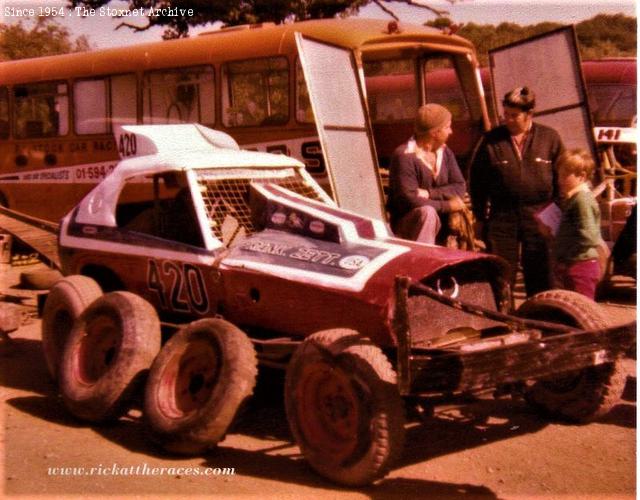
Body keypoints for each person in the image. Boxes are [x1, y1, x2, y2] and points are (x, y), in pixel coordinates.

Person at [470, 86, 564, 297]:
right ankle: (502, 321)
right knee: (501, 274)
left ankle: (540, 316)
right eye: (506, 115)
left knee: (541, 274)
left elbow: (562, 180)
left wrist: (555, 213)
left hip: (540, 215)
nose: (508, 120)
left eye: (515, 115)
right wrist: (479, 217)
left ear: (529, 114)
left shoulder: (550, 138)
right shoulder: (491, 140)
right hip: (502, 216)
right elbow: (477, 182)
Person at [387, 103, 466, 244]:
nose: (451, 132)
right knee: (427, 212)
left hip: (442, 229)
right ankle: (423, 260)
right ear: (435, 132)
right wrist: (448, 206)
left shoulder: (445, 152)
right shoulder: (404, 156)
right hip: (409, 228)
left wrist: (430, 193)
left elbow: (459, 186)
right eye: (447, 127)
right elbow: (410, 199)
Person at [552, 149, 605, 299]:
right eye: (559, 175)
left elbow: (589, 237)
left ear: (581, 176)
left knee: (580, 310)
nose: (559, 180)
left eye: (564, 176)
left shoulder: (582, 200)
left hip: (580, 265)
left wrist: (565, 255)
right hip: (575, 264)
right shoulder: (574, 199)